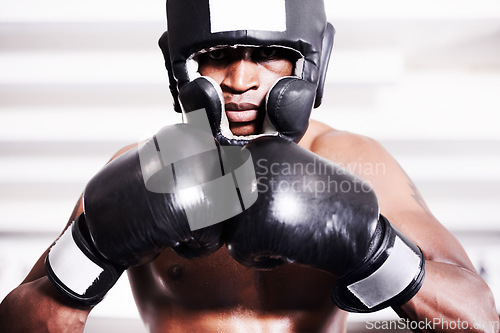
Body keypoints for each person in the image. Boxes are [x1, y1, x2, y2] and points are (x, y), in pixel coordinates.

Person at [1, 0, 499, 332]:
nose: (240, 78)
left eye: (267, 54)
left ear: (308, 62)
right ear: (182, 67)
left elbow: (479, 321)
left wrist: (376, 251)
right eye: (217, 54)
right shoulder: (150, 168)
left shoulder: (350, 161)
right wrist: (93, 249)